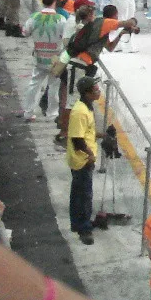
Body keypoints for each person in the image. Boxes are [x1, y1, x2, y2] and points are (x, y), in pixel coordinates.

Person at [21, 0, 71, 123]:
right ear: (56, 1)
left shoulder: (34, 17)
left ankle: (28, 112)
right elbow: (66, 38)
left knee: (34, 84)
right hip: (56, 59)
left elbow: (25, 32)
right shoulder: (61, 19)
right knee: (54, 86)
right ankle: (52, 113)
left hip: (39, 57)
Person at [67, 77, 100, 245]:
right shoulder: (80, 112)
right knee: (84, 195)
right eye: (95, 89)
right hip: (82, 161)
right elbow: (77, 140)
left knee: (79, 193)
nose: (99, 91)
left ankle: (77, 223)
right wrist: (90, 154)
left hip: (84, 159)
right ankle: (84, 228)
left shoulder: (87, 107)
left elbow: (86, 133)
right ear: (87, 92)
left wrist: (102, 135)